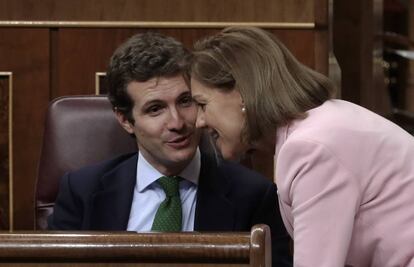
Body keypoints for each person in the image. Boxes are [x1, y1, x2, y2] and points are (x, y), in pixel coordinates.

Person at [48, 32, 292, 266]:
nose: (177, 123)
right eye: (155, 109)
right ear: (125, 120)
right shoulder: (82, 191)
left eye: (185, 101)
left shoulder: (254, 196)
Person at [189, 26, 414, 267]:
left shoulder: (309, 148)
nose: (198, 121)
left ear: (242, 93)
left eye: (202, 105)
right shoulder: (319, 125)